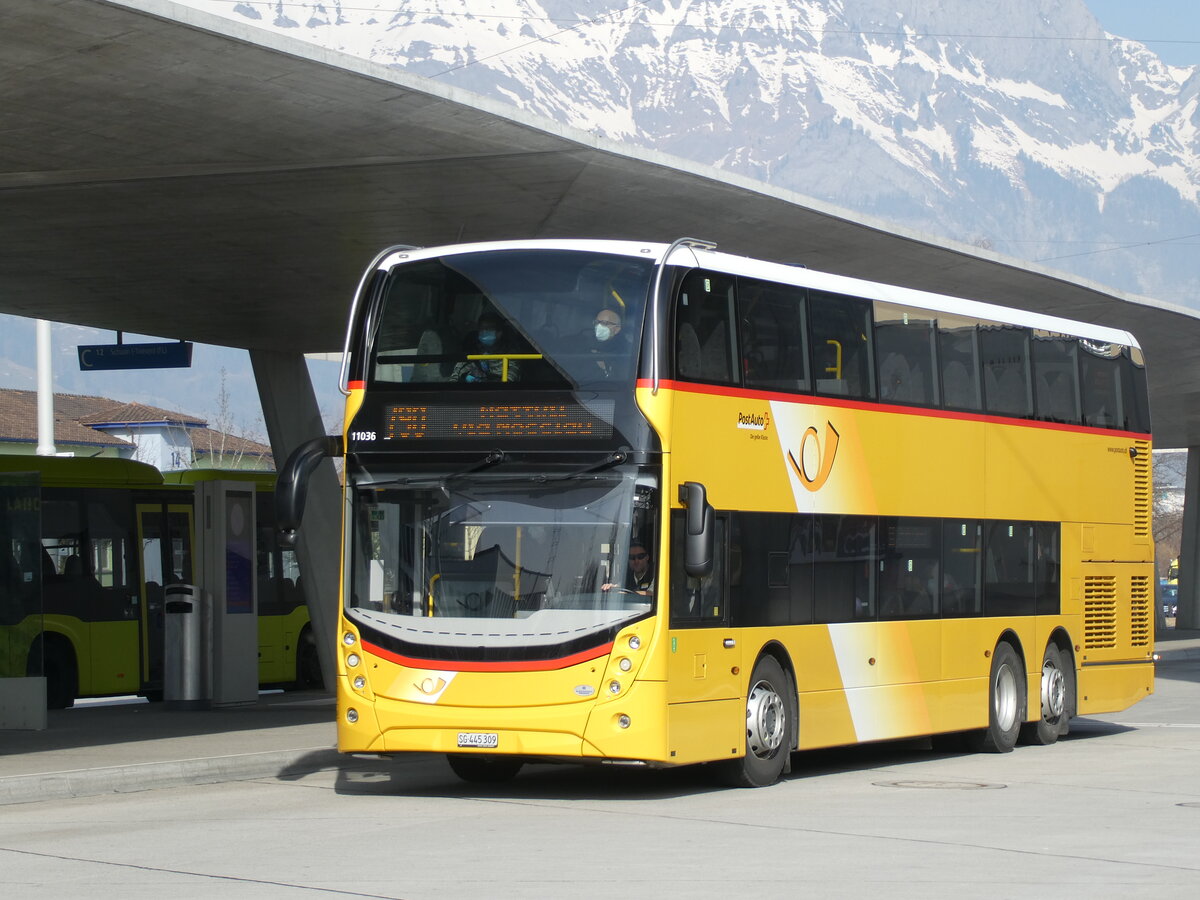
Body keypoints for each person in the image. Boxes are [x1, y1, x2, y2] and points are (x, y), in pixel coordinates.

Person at [451, 312, 522, 383]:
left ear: (499, 332)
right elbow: (456, 374)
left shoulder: (510, 353)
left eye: (489, 329)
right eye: (482, 328)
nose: (484, 331)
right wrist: (468, 375)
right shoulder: (473, 348)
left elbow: (510, 378)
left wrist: (486, 381)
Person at [579, 307, 631, 378]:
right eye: (597, 322)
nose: (599, 326)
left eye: (604, 323)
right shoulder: (583, 347)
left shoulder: (627, 352)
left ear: (617, 329)